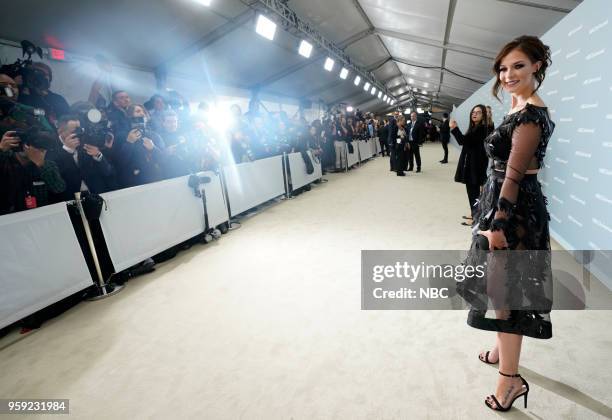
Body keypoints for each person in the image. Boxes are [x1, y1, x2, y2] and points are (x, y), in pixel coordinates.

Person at [456, 35, 555, 412]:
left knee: (506, 296)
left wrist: (497, 225)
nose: (508, 74)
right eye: (503, 67)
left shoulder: (530, 116)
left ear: (537, 67)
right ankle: (502, 349)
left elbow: (513, 178)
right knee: (500, 287)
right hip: (499, 201)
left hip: (512, 212)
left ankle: (510, 381)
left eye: (518, 66)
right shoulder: (518, 105)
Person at [47, 115, 116, 201]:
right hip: (70, 198)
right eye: (74, 131)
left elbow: (108, 171)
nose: (79, 133)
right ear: (60, 131)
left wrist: (98, 155)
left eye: (80, 129)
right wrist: (67, 150)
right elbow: (55, 177)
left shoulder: (86, 140)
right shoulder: (51, 146)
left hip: (95, 193)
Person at [0, 130, 65, 214]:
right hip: (7, 215)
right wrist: (1, 149)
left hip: (37, 215)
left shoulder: (48, 165)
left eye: (41, 149)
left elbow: (58, 189)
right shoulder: (5, 160)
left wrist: (41, 165)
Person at [449, 105, 489, 224]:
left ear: (483, 116)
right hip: (472, 163)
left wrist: (455, 128)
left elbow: (462, 141)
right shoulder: (475, 127)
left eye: (478, 112)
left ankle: (476, 218)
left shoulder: (481, 129)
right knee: (472, 191)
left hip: (475, 165)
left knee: (474, 192)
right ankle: (474, 214)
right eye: (473, 112)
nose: (474, 114)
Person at [18, 62, 70, 126]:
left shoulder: (58, 99)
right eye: (37, 73)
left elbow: (68, 119)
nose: (40, 77)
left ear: (49, 79)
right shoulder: (22, 95)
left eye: (44, 74)